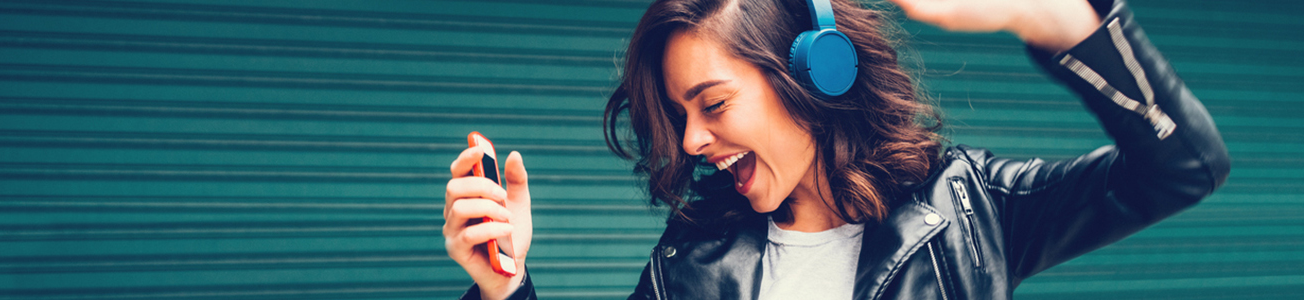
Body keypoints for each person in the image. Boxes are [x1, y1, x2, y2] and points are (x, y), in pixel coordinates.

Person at [442, 0, 1231, 299]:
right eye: (679, 116)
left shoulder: (971, 209)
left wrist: (1057, 21)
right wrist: (504, 289)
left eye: (712, 104)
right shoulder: (690, 260)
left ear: (815, 75)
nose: (689, 141)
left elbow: (1184, 165)